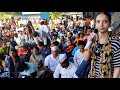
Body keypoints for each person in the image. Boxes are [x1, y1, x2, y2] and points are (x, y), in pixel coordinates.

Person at [83, 12, 120, 78]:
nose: (101, 24)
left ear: (110, 24)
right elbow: (86, 58)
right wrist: (89, 42)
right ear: (95, 24)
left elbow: (117, 67)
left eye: (105, 21)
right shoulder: (92, 40)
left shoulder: (115, 43)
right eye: (98, 21)